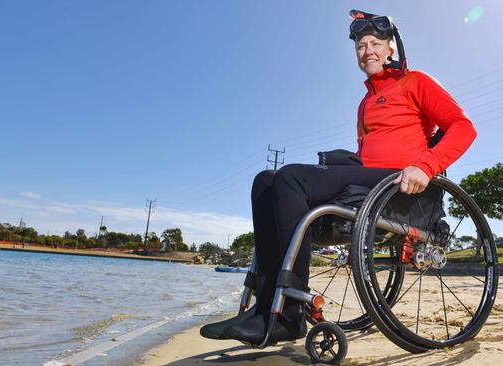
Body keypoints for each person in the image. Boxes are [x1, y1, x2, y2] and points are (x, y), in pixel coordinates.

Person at [200, 10, 477, 344]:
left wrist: (426, 166)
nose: (367, 51)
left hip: (401, 186)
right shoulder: (365, 102)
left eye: (375, 43)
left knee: (290, 177)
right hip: (367, 182)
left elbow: (464, 127)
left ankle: (288, 316)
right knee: (265, 181)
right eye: (361, 46)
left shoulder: (416, 81)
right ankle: (262, 307)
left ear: (391, 48)